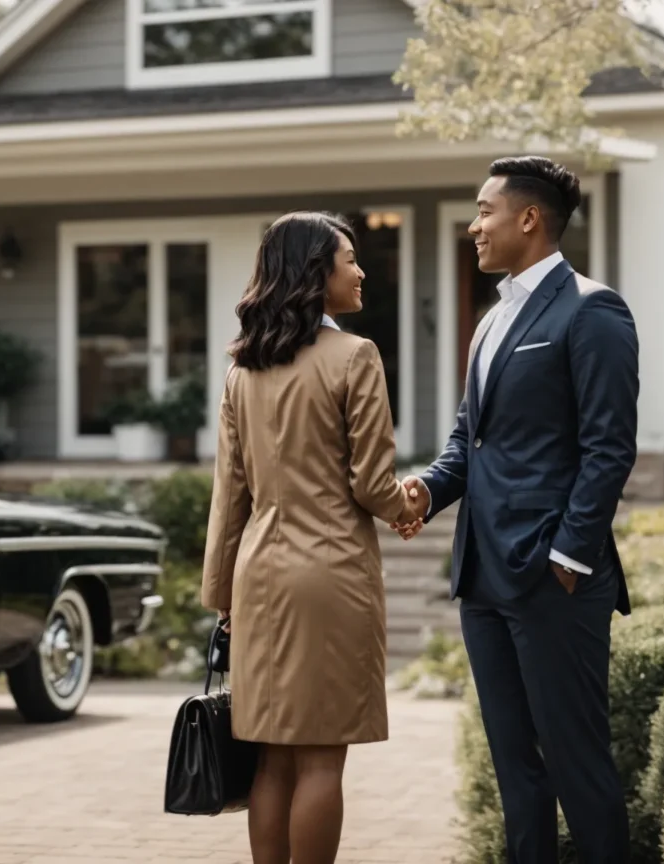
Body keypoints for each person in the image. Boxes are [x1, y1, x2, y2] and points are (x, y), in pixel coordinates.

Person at [392, 157, 640, 864]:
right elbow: (469, 440)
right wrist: (426, 492)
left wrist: (567, 557)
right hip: (483, 579)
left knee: (578, 769)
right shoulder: (492, 318)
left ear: (528, 219)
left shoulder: (593, 309)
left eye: (483, 210)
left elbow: (608, 448)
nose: (474, 226)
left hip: (553, 583)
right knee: (517, 777)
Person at [201, 211, 427, 864]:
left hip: (260, 578)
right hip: (330, 576)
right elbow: (371, 482)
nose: (360, 271)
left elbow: (230, 495)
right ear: (314, 273)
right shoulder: (354, 357)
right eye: (349, 259)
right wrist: (407, 503)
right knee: (323, 759)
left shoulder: (243, 371)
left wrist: (223, 595)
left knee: (272, 758)